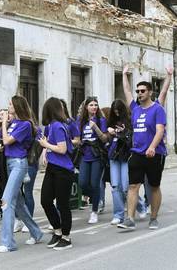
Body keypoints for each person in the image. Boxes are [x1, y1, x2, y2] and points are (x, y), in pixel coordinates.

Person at [118, 65, 167, 231]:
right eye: (138, 91)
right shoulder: (135, 109)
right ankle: (130, 219)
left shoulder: (158, 109)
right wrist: (124, 74)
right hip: (137, 153)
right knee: (133, 186)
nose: (139, 94)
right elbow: (126, 92)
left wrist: (152, 147)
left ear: (150, 92)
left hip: (154, 154)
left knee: (153, 186)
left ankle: (153, 218)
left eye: (143, 91)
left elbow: (160, 130)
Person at [0, 95, 43, 253]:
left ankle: (8, 243)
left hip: (19, 164)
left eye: (10, 104)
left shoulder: (25, 124)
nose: (8, 106)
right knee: (19, 204)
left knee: (7, 201)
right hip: (10, 162)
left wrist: (3, 124)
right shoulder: (14, 123)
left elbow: (7, 140)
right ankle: (36, 232)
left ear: (17, 106)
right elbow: (6, 142)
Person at [39, 97, 75, 250]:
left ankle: (66, 238)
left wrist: (46, 145)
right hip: (53, 168)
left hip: (63, 170)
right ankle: (57, 231)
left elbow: (62, 149)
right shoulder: (51, 126)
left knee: (62, 204)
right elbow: (48, 144)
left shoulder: (58, 126)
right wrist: (44, 153)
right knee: (45, 200)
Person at [106, 99, 146, 225]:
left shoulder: (129, 121)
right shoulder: (111, 122)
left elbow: (132, 139)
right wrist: (110, 133)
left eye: (118, 111)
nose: (116, 113)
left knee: (125, 187)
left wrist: (123, 132)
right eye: (114, 111)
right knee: (115, 186)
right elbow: (105, 139)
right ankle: (118, 215)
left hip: (125, 156)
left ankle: (140, 206)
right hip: (114, 156)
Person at [78, 96, 108, 224]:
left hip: (97, 156)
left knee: (95, 184)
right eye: (91, 105)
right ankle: (96, 197)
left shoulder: (101, 120)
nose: (94, 107)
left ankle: (94, 211)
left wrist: (95, 127)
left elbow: (105, 139)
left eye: (96, 105)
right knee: (83, 183)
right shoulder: (80, 121)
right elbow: (76, 138)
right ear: (86, 107)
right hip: (84, 156)